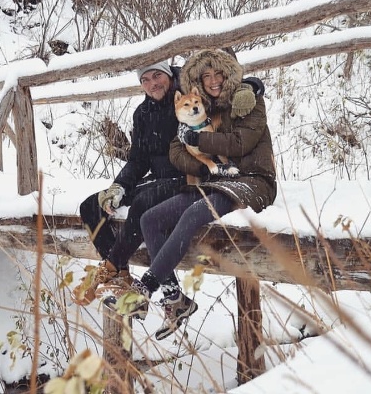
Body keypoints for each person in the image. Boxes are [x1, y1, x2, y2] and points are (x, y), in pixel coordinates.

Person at [104, 49, 277, 341]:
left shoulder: (248, 100)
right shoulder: (201, 105)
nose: (213, 80)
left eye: (219, 74)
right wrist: (198, 160)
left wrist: (198, 139)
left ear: (230, 74)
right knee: (150, 218)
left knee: (193, 214)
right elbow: (176, 149)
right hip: (214, 178)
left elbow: (241, 142)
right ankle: (175, 300)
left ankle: (143, 289)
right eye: (206, 75)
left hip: (251, 179)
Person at [72, 60, 186, 305]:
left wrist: (252, 86)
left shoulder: (187, 96)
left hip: (185, 177)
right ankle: (121, 276)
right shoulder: (142, 113)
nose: (152, 84)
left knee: (143, 202)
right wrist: (119, 187)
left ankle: (110, 267)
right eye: (145, 80)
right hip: (156, 179)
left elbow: (221, 87)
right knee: (91, 206)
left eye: (157, 76)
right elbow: (138, 160)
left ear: (168, 74)